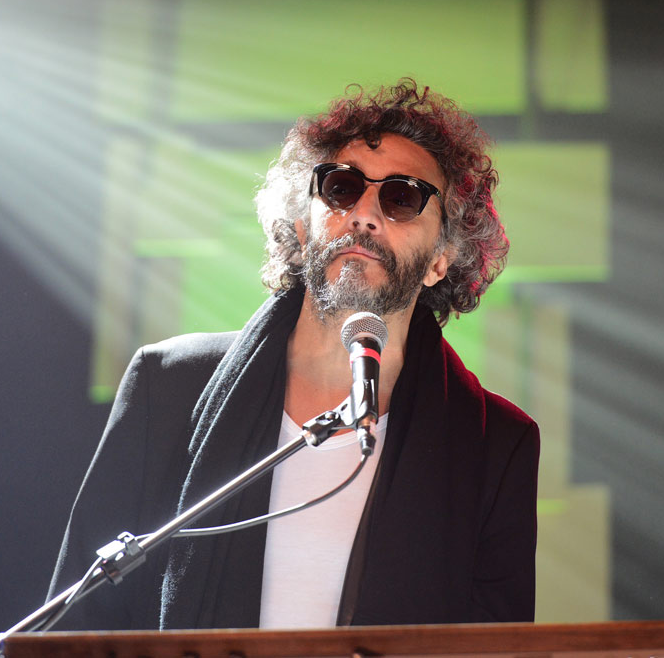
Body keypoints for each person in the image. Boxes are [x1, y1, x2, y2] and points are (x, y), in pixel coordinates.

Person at [47, 79, 540, 631]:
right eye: (341, 187)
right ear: (303, 230)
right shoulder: (167, 385)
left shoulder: (496, 443)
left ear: (441, 260)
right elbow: (77, 624)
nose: (364, 214)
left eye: (402, 198)